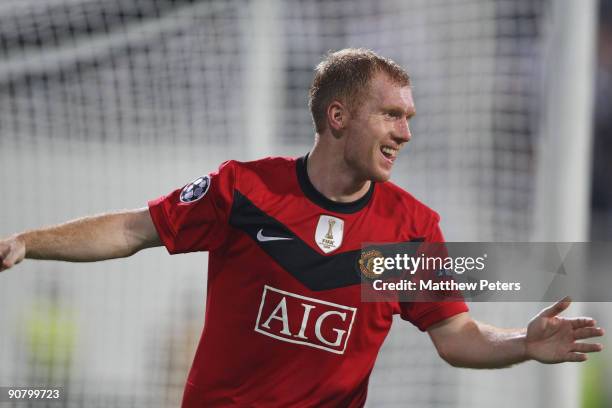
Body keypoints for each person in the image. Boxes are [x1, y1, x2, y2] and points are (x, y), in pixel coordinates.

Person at [0, 48, 605, 407]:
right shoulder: (246, 190)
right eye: (391, 115)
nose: (406, 132)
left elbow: (455, 335)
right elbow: (133, 230)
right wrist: (30, 241)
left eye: (410, 117)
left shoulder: (409, 230)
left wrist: (523, 344)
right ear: (338, 117)